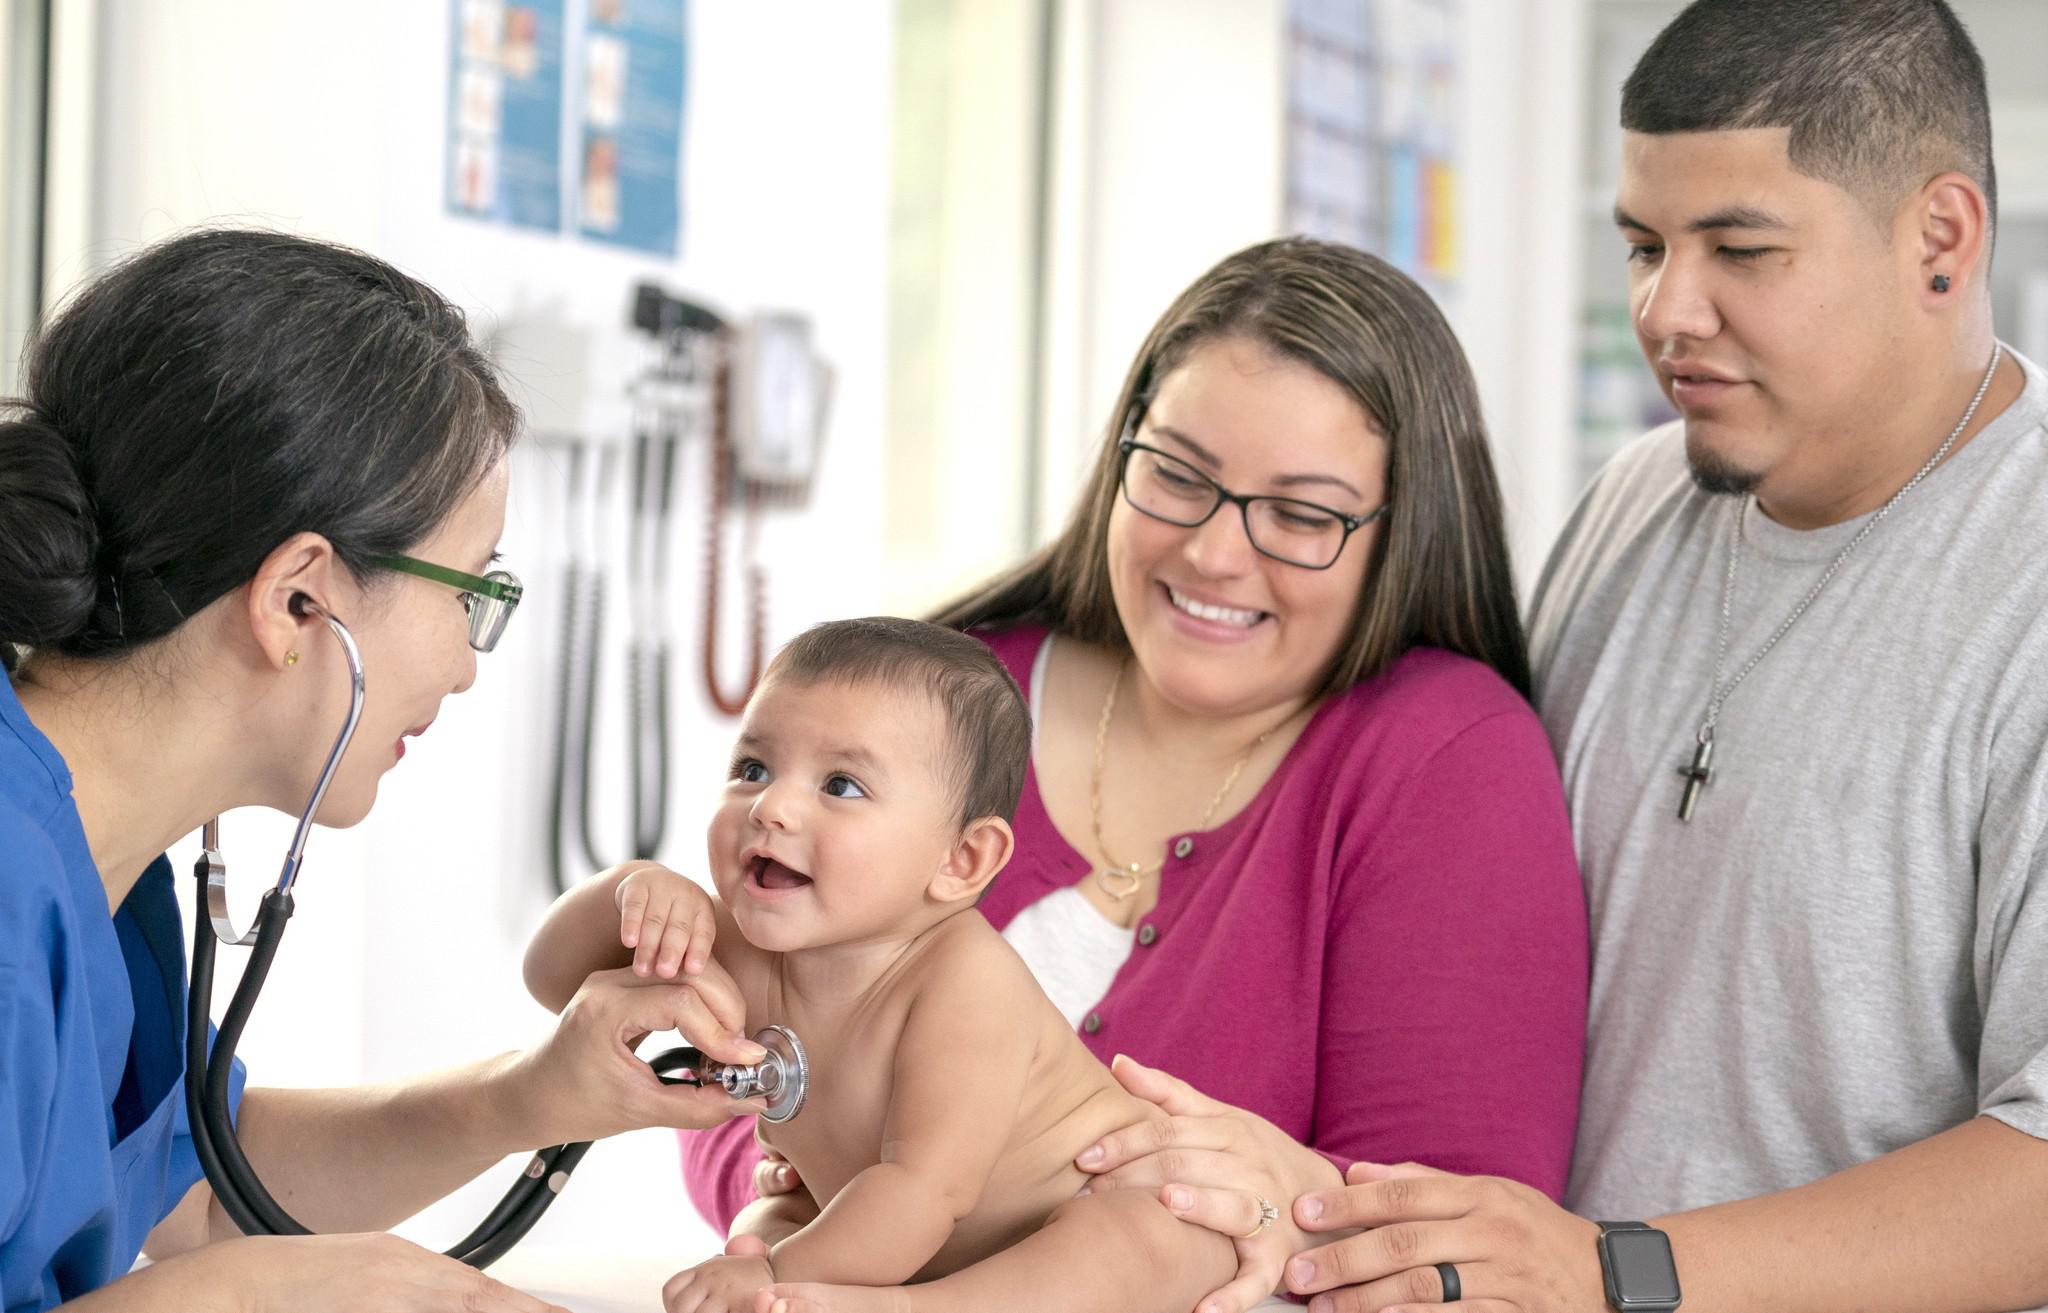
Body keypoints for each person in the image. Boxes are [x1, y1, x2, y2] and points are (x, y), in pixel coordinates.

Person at [1274, 3, 2048, 1311]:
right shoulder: (1636, 498)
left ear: (1940, 239)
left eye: (1739, 248)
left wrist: (1619, 1269)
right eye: (1643, 244)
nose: (1664, 309)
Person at [681, 237, 1592, 1313]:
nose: (1212, 553)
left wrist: (1258, 1203)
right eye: (1176, 474)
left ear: (1399, 535)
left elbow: (1459, 1227)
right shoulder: (940, 700)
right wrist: (819, 1193)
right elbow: (729, 1058)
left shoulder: (1443, 754)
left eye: (1299, 514)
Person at [0, 228, 765, 1313]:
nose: (462, 664)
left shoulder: (105, 872)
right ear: (297, 598)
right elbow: (223, 1254)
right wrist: (255, 1297)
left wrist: (534, 1092)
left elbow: (206, 1191)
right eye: (468, 590)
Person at [526, 617, 1244, 1313]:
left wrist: (782, 1271)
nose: (771, 806)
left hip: (1078, 1206)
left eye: (840, 785)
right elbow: (553, 980)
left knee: (1139, 1240)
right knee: (768, 1214)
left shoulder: (964, 982)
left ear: (961, 860)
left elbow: (925, 1189)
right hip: (887, 1226)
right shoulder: (737, 940)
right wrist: (630, 892)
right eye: (753, 768)